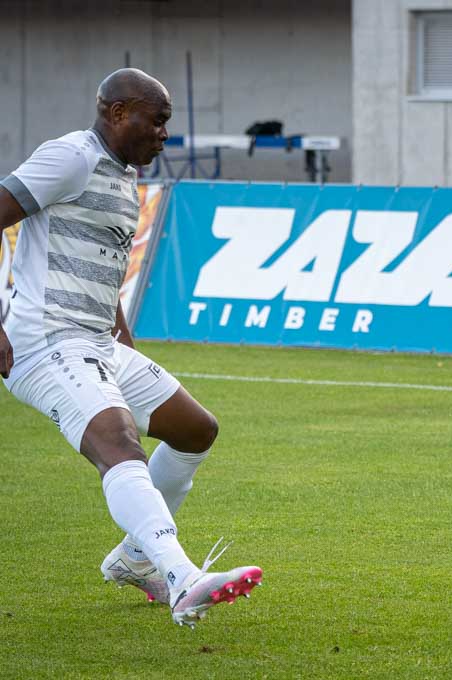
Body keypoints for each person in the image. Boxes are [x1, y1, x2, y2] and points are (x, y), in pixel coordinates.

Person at [0, 68, 262, 628]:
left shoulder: (125, 177)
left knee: (195, 430)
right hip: (45, 340)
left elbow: (104, 267)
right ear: (119, 113)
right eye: (158, 120)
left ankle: (134, 558)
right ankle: (182, 577)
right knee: (119, 443)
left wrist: (122, 339)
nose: (165, 134)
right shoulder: (71, 156)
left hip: (97, 341)